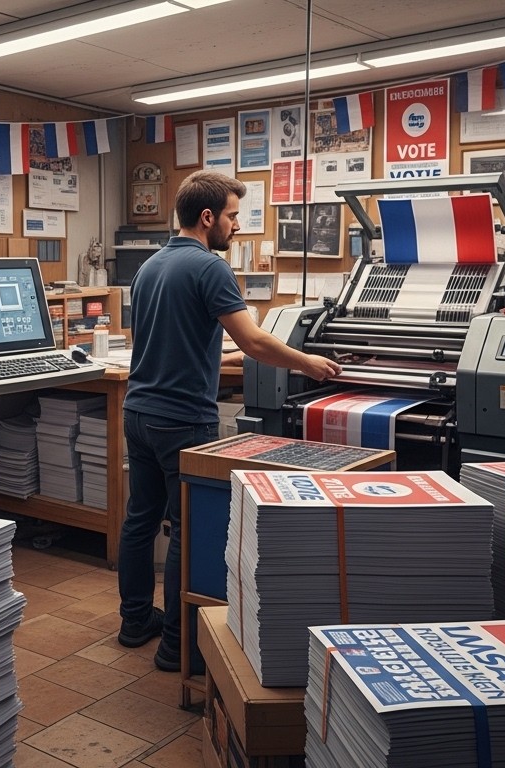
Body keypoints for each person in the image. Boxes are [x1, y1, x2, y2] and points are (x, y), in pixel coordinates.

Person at [116, 170, 342, 671]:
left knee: (141, 521)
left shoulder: (150, 267)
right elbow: (256, 341)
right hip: (182, 421)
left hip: (139, 413)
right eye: (233, 215)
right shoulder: (210, 268)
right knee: (186, 528)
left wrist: (217, 361)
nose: (236, 226)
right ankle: (177, 646)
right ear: (207, 217)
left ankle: (135, 622)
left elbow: (161, 343)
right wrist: (310, 363)